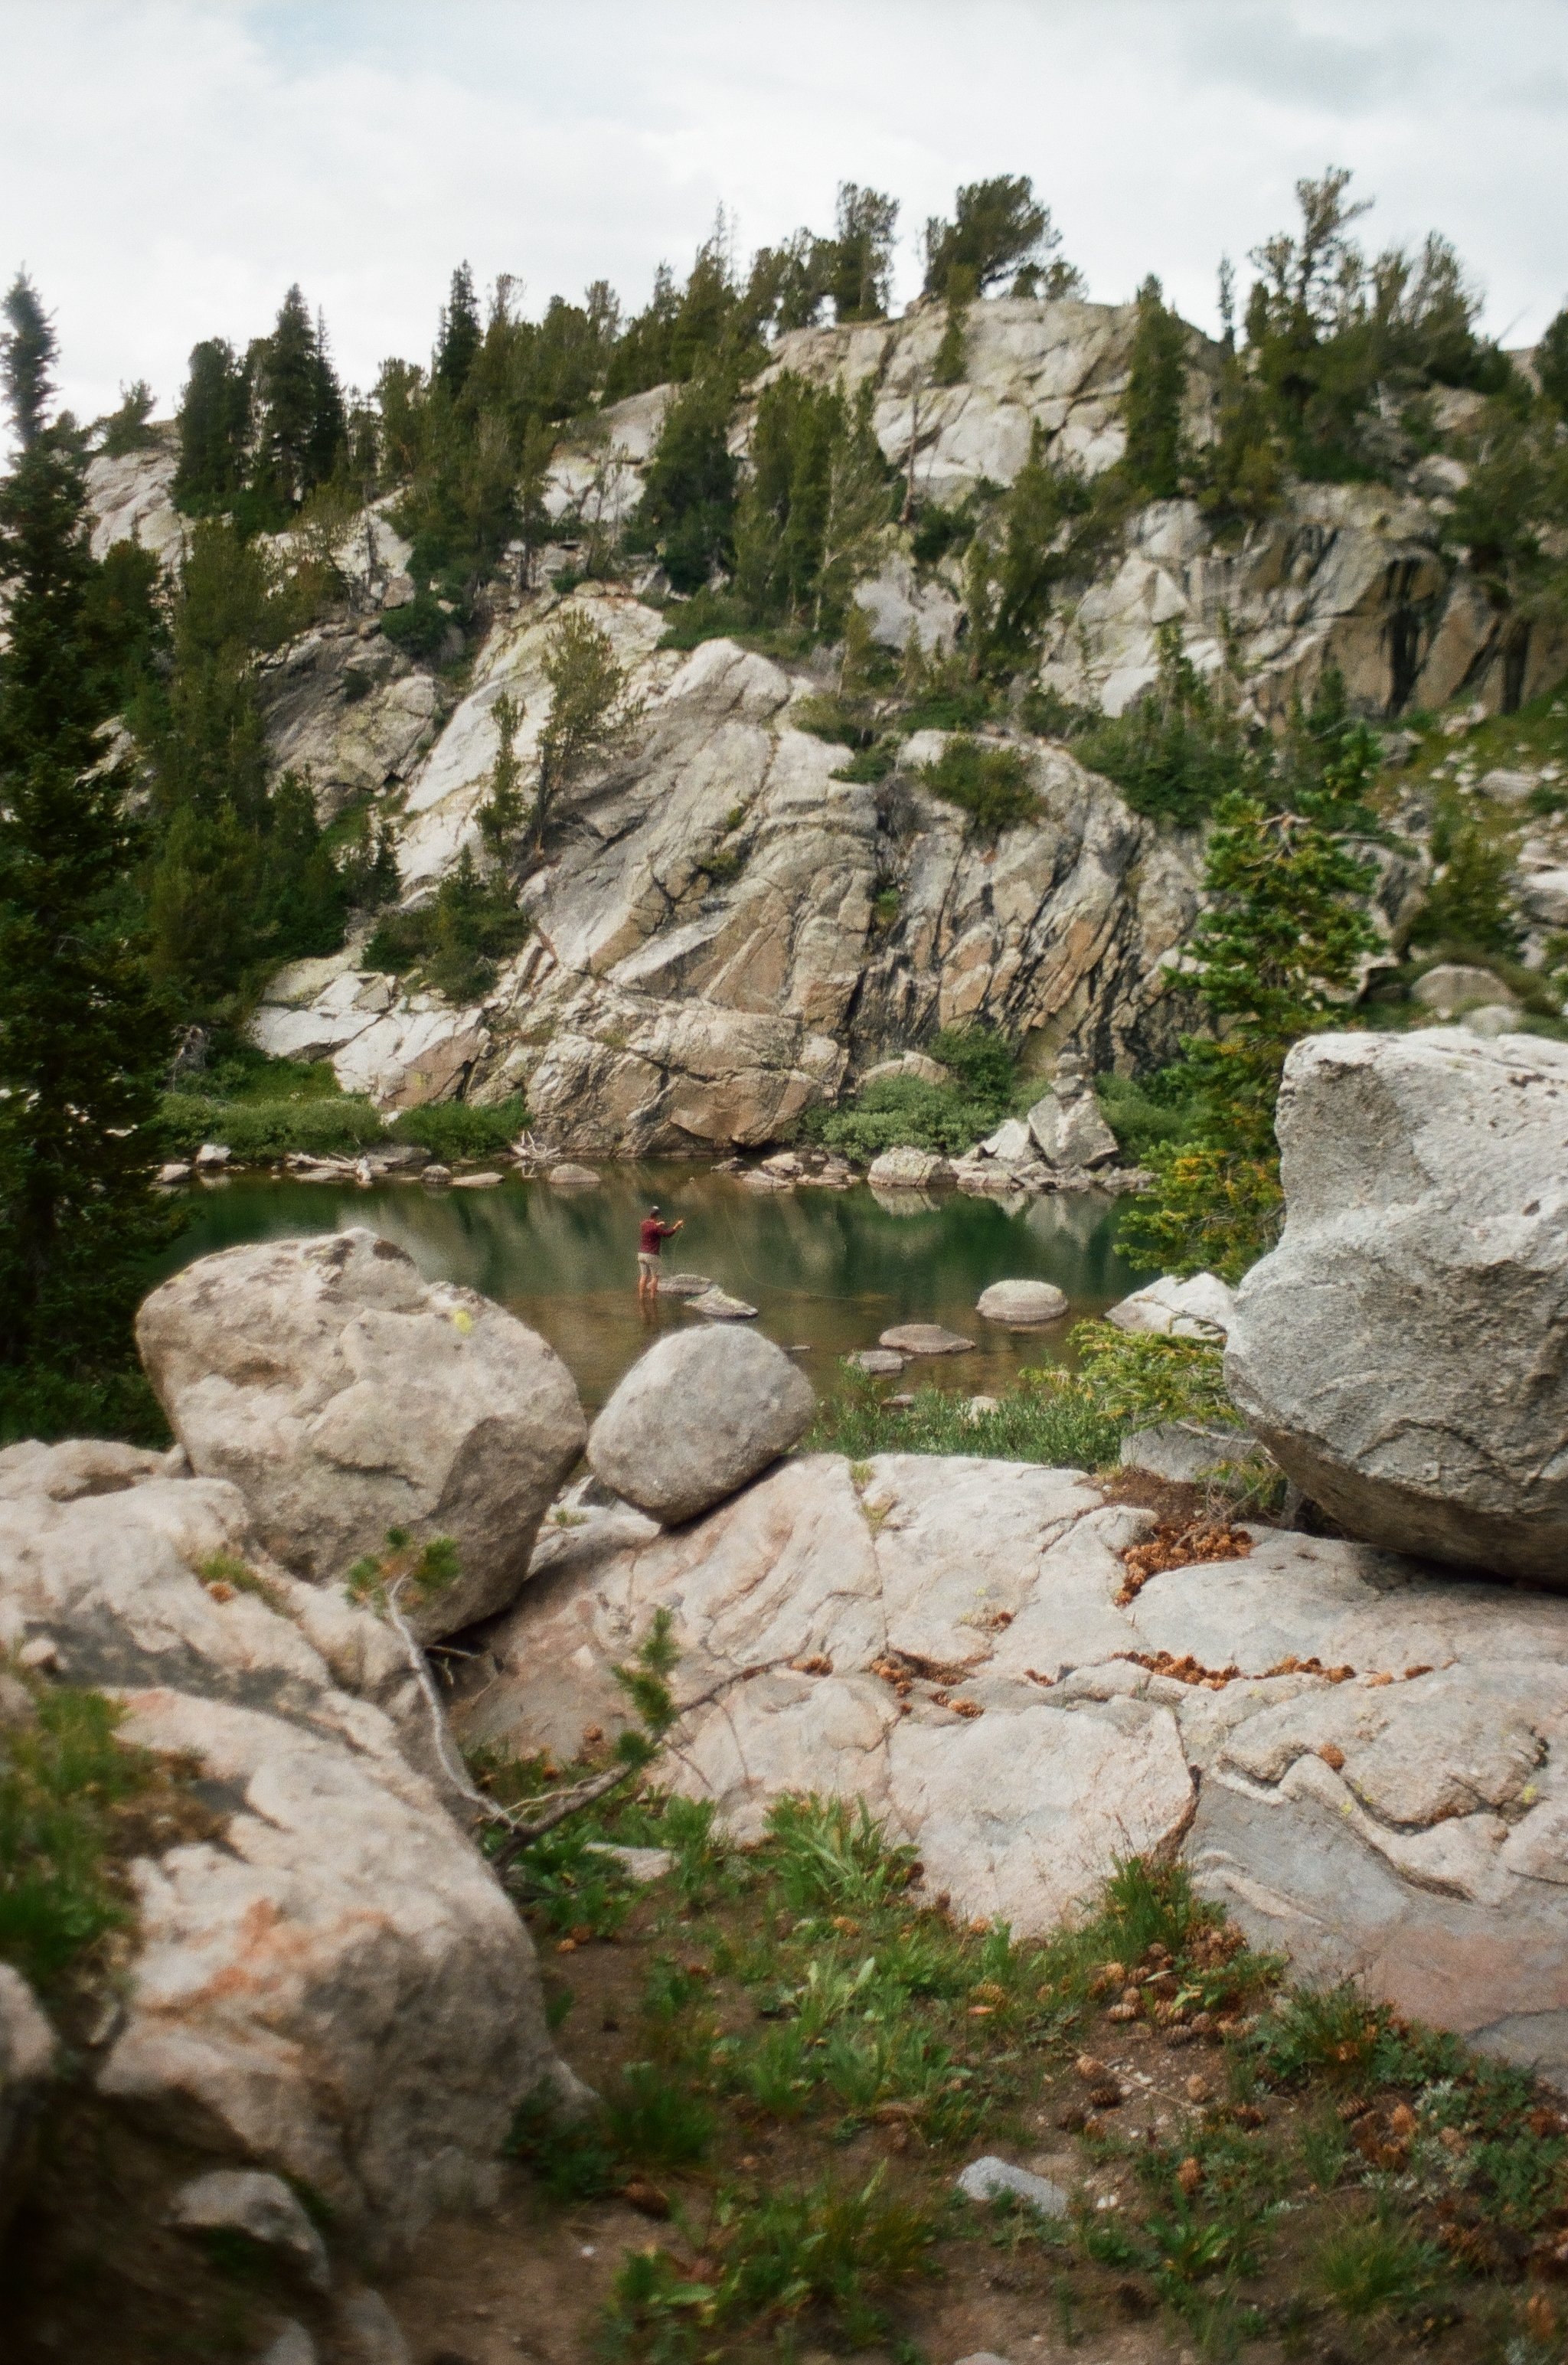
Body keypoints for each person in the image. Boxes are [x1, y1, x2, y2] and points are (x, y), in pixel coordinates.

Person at [636, 1203, 683, 1302]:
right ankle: (652, 1298)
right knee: (655, 1277)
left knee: (643, 1276)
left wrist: (658, 1224)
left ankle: (641, 1298)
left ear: (650, 1214)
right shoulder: (656, 1228)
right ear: (657, 1216)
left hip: (641, 1254)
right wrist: (677, 1226)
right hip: (651, 1255)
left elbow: (650, 1228)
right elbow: (667, 1234)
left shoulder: (644, 1224)